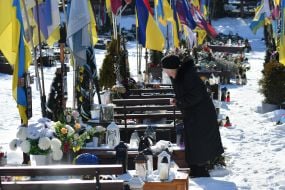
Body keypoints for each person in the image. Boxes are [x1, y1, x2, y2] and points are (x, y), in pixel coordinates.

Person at [161, 54, 224, 178]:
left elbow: (195, 96)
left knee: (199, 144)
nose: (166, 73)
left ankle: (201, 173)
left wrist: (178, 102)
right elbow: (185, 94)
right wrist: (177, 100)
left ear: (173, 68)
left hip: (201, 114)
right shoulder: (179, 76)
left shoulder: (188, 76)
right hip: (193, 114)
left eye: (167, 70)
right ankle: (195, 170)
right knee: (193, 143)